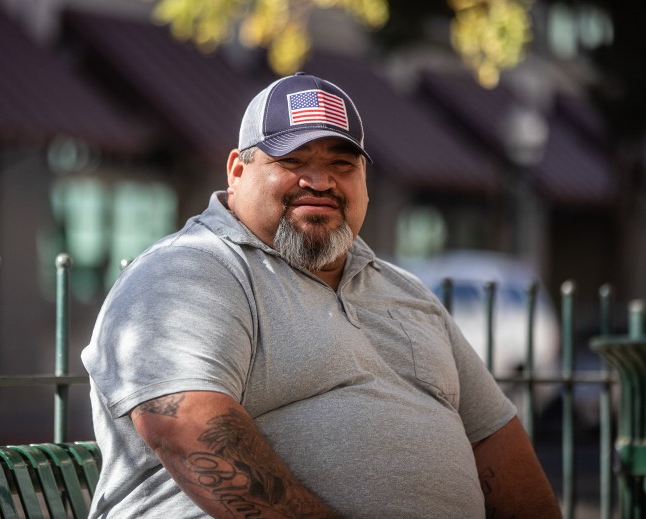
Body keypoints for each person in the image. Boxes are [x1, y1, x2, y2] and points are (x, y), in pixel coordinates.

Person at [81, 72, 561, 518]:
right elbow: (188, 429)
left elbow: (494, 438)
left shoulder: (407, 292)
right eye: (292, 161)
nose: (320, 180)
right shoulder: (189, 271)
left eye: (341, 162)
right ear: (237, 171)